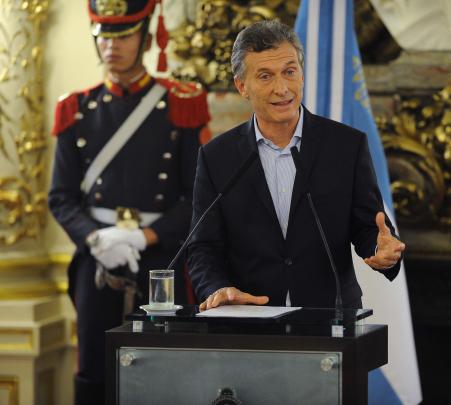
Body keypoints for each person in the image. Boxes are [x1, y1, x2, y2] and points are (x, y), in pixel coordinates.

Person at [48, 1, 210, 403]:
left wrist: (144, 237)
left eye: (122, 36)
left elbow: (197, 197)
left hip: (163, 260)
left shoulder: (181, 102)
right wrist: (95, 239)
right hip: (98, 260)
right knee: (95, 371)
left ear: (145, 37)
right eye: (104, 37)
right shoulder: (76, 109)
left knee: (165, 372)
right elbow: (61, 198)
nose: (111, 46)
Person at [186, 20, 405, 311]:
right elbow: (203, 246)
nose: (282, 88)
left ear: (301, 74)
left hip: (331, 316)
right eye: (265, 76)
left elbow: (369, 227)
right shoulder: (217, 157)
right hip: (250, 316)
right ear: (242, 86)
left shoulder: (346, 146)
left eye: (289, 72)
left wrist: (382, 250)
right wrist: (217, 288)